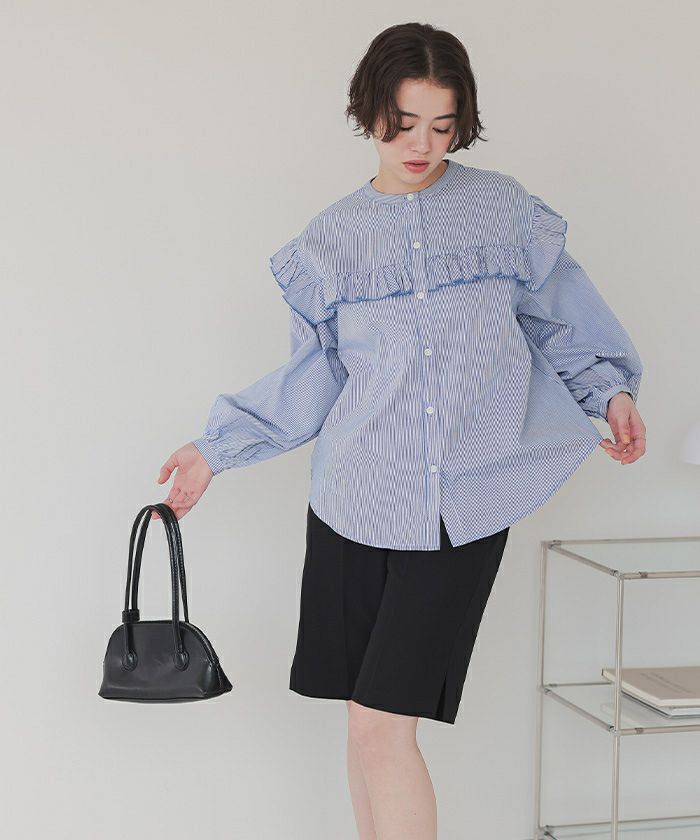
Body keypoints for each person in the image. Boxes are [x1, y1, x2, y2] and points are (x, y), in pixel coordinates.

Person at [154, 22, 646, 840]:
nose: (422, 145)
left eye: (442, 126)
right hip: (355, 499)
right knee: (364, 724)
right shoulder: (330, 241)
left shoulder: (502, 210)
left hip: (465, 506)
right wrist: (218, 449)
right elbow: (318, 373)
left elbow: (561, 320)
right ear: (369, 111)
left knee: (386, 726)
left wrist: (610, 393)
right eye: (403, 123)